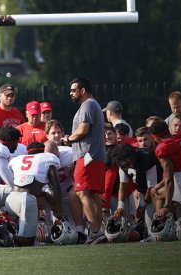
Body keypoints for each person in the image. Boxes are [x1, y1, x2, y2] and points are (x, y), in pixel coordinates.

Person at [62, 77, 106, 244]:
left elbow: (82, 130)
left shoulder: (87, 104)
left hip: (87, 156)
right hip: (94, 156)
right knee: (93, 194)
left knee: (81, 192)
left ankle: (95, 232)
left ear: (82, 90)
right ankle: (98, 231)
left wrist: (68, 139)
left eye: (73, 90)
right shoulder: (92, 104)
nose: (71, 93)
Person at [6, 141, 63, 246]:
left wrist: (44, 194)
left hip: (10, 199)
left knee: (26, 239)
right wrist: (59, 212)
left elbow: (23, 183)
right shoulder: (48, 158)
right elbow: (56, 186)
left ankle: (8, 230)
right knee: (28, 242)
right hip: (26, 201)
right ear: (43, 152)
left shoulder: (17, 159)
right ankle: (7, 235)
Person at [45, 120, 85, 243]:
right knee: (51, 231)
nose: (57, 135)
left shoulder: (69, 152)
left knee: (72, 229)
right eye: (53, 133)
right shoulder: (41, 151)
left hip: (67, 196)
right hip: (50, 197)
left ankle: (82, 231)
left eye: (59, 132)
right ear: (46, 135)